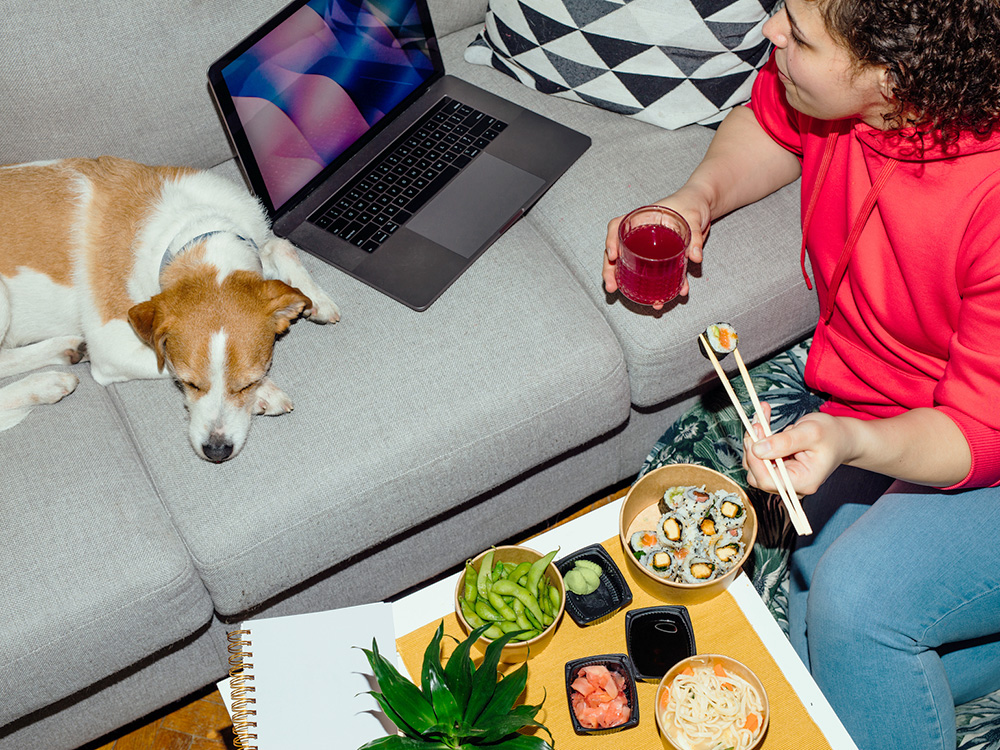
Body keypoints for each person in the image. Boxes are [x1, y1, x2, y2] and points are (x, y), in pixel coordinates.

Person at [602, 1, 1000, 748]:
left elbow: (980, 431)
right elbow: (772, 124)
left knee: (857, 602)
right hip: (887, 399)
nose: (769, 34)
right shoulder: (841, 95)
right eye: (781, 8)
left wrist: (851, 440)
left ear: (894, 76)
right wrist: (697, 199)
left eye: (799, 33)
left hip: (977, 435)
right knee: (819, 598)